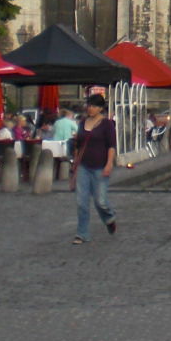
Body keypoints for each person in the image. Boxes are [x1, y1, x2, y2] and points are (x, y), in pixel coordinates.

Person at [70, 93, 117, 244]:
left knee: (100, 201)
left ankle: (109, 217)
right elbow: (78, 143)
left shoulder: (107, 124)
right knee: (81, 202)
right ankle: (82, 233)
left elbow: (111, 146)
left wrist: (109, 163)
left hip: (100, 166)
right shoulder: (82, 122)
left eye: (94, 106)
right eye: (89, 105)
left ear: (100, 108)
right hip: (84, 165)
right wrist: (75, 162)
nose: (90, 108)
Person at [49, 106, 79, 180]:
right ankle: (72, 161)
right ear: (70, 115)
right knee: (76, 147)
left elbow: (52, 132)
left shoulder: (57, 122)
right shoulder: (70, 122)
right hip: (67, 141)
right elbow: (78, 130)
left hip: (56, 143)